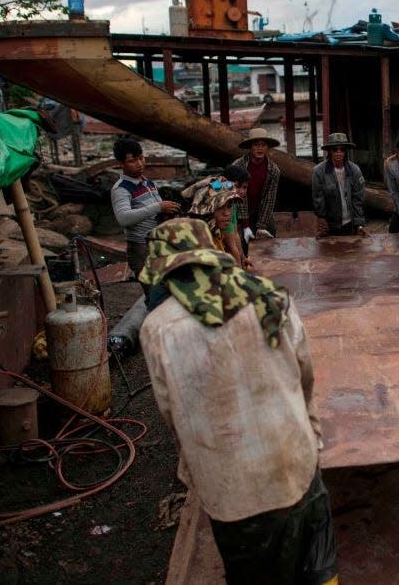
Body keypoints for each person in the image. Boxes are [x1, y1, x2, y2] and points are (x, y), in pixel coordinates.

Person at [138, 219, 338, 584]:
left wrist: (197, 470)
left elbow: (173, 416)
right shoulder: (271, 298)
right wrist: (313, 436)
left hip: (232, 492)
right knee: (319, 568)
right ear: (213, 256)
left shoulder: (157, 329)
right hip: (297, 463)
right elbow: (305, 377)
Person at [110, 137, 180, 292]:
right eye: (133, 161)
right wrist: (158, 207)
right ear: (121, 164)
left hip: (157, 244)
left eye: (141, 158)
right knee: (154, 294)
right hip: (141, 248)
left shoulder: (148, 183)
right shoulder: (121, 189)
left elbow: (155, 211)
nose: (140, 164)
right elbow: (123, 218)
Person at [311, 132, 366, 237]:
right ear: (329, 151)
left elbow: (358, 198)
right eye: (335, 149)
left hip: (350, 223)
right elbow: (318, 198)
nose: (339, 153)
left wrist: (359, 225)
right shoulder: (319, 172)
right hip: (330, 225)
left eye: (342, 149)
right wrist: (322, 221)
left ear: (346, 151)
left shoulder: (354, 170)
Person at [233, 127, 281, 238]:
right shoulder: (238, 166)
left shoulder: (273, 170)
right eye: (256, 145)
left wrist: (262, 226)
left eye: (263, 145)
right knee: (240, 239)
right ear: (250, 147)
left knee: (271, 232)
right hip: (238, 209)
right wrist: (245, 225)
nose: (260, 148)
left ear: (267, 147)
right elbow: (238, 196)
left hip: (260, 210)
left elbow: (269, 199)